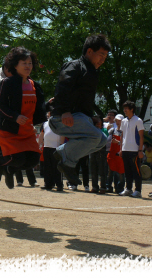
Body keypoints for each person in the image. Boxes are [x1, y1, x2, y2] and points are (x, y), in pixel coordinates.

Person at [48, 34, 111, 187]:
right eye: (101, 55)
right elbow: (62, 88)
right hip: (61, 118)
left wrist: (92, 117)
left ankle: (61, 152)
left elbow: (84, 102)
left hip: (78, 117)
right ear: (89, 51)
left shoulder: (92, 72)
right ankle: (67, 162)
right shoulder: (74, 66)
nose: (103, 59)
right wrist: (64, 111)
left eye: (106, 56)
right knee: (95, 136)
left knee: (102, 139)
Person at [0, 47, 47, 189]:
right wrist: (15, 116)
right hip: (9, 129)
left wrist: (50, 105)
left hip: (27, 130)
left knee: (33, 159)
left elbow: (40, 108)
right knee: (17, 159)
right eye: (24, 63)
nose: (28, 66)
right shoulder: (8, 83)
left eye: (30, 63)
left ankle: (9, 171)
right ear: (15, 65)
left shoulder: (35, 85)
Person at [118, 101, 145, 198]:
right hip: (125, 149)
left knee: (136, 171)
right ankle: (128, 189)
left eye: (126, 108)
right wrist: (121, 149)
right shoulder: (124, 121)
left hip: (135, 150)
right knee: (127, 171)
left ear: (132, 109)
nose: (124, 110)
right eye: (124, 108)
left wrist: (140, 150)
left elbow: (141, 136)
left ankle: (138, 190)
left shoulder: (138, 120)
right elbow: (122, 136)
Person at [39, 111, 65, 191]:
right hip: (46, 147)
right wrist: (40, 144)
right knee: (47, 167)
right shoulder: (45, 124)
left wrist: (61, 145)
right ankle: (48, 184)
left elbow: (62, 134)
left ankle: (59, 184)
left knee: (57, 167)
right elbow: (42, 134)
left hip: (56, 147)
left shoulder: (60, 123)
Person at [106, 114, 125, 194]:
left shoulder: (125, 131)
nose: (118, 122)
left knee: (120, 172)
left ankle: (119, 188)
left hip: (120, 155)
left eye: (119, 120)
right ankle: (108, 186)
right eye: (116, 120)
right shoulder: (112, 130)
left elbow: (126, 143)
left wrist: (118, 142)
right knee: (110, 171)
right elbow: (107, 140)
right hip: (112, 154)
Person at [89, 116, 108, 194]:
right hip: (92, 151)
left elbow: (105, 141)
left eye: (99, 124)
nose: (98, 125)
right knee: (93, 170)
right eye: (96, 124)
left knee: (102, 170)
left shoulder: (104, 130)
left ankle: (103, 187)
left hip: (101, 151)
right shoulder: (91, 131)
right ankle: (94, 187)